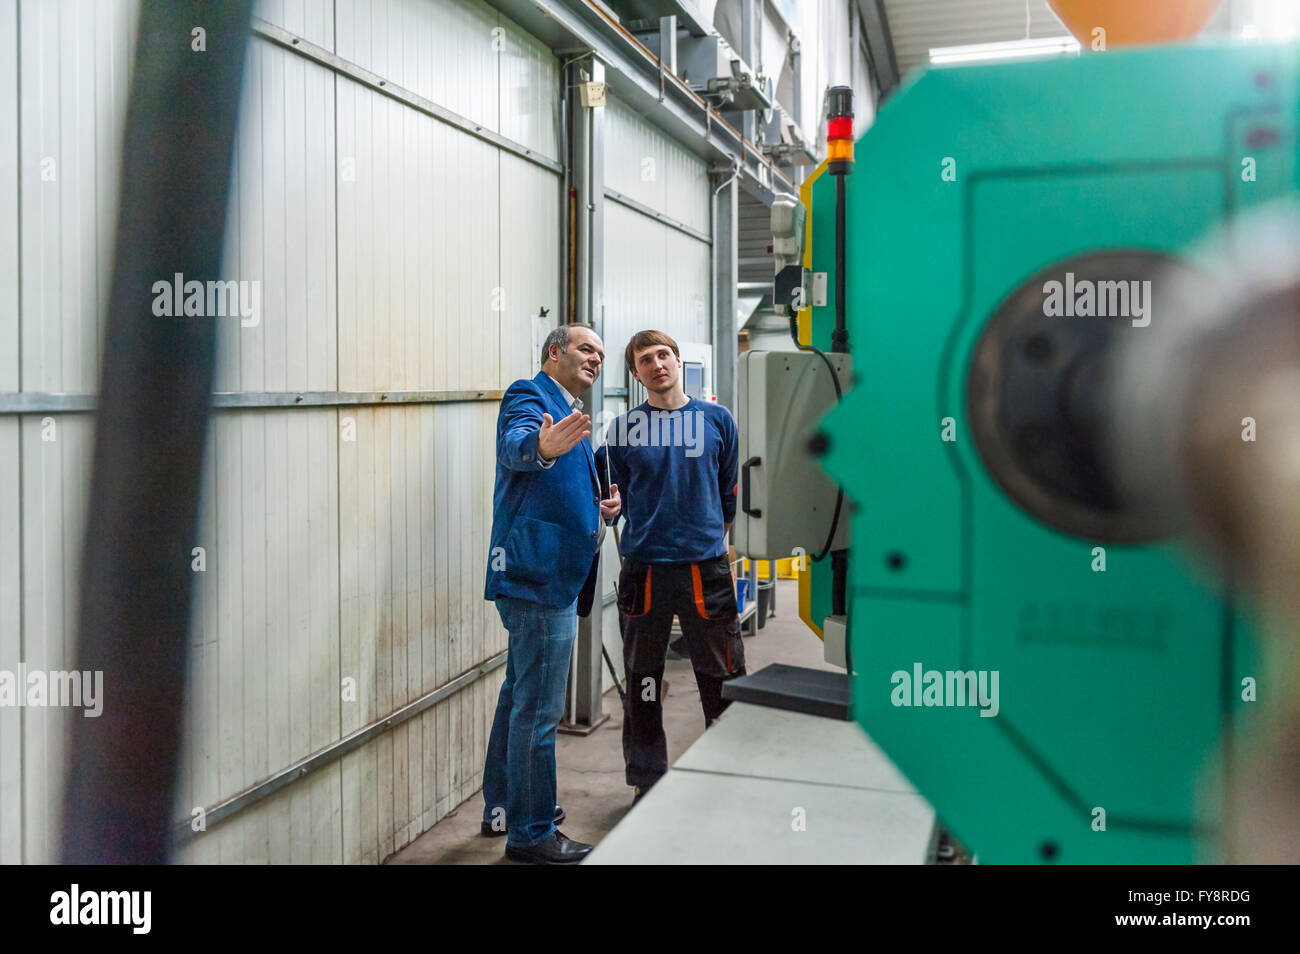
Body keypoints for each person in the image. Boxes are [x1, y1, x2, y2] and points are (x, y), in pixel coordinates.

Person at [481, 322, 621, 864]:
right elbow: (518, 446)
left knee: (519, 697)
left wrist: (600, 508)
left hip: (548, 576)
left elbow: (561, 488)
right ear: (553, 352)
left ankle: (507, 807)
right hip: (538, 578)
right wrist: (539, 445)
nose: (596, 359)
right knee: (538, 711)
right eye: (588, 349)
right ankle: (532, 834)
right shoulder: (529, 395)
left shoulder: (571, 409)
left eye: (602, 354)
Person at [598, 330, 744, 801]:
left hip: (707, 569)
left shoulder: (718, 420)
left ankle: (727, 772)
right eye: (645, 359)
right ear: (636, 373)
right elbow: (605, 493)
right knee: (643, 678)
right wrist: (607, 508)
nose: (657, 364)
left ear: (678, 361)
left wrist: (708, 539)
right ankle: (646, 780)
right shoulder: (621, 431)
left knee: (722, 676)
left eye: (664, 355)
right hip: (644, 569)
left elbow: (728, 494)